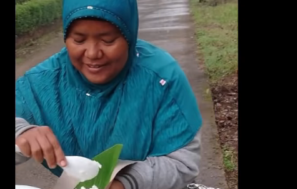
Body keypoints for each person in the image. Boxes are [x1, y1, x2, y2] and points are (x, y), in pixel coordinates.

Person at [15, 0, 203, 188]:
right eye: (79, 40)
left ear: (129, 35)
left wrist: (126, 182)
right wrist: (21, 132)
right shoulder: (42, 82)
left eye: (108, 41)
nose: (93, 53)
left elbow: (182, 163)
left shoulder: (161, 79)